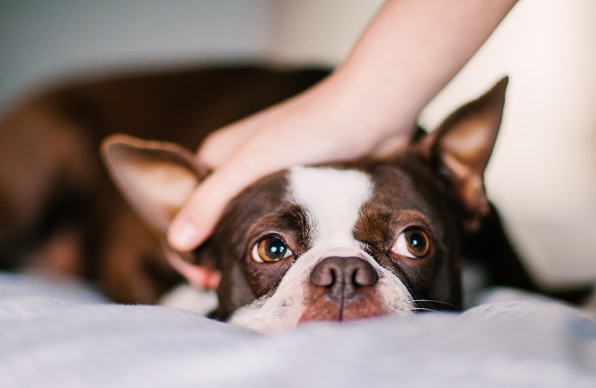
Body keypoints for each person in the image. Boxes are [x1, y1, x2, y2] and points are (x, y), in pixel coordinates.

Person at [167, 0, 518, 252]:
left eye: (414, 244)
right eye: (273, 250)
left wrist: (361, 106)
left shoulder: (434, 185)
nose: (342, 279)